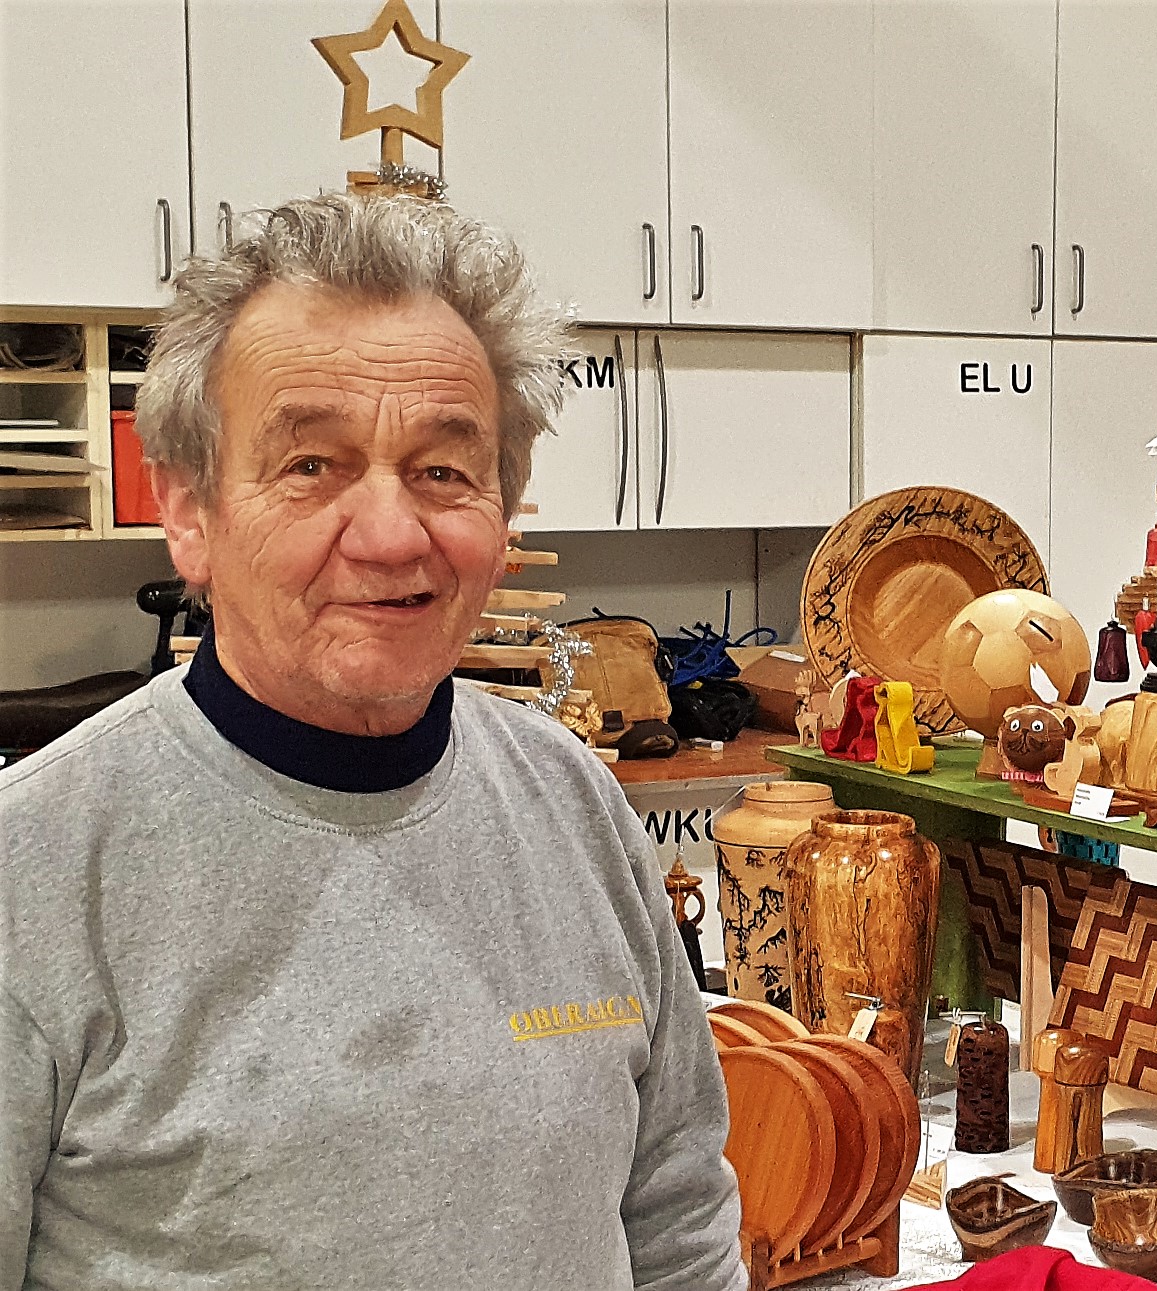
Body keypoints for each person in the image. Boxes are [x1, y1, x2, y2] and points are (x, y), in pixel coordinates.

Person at [0, 194, 743, 1289]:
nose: (393, 535)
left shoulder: (574, 801)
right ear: (190, 512)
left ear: (505, 513)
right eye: (311, 465)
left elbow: (676, 1217)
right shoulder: (34, 869)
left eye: (444, 471)